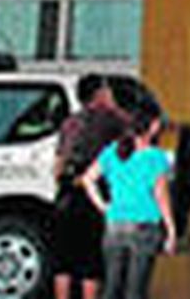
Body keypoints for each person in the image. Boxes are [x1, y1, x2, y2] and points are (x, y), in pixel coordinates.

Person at [81, 103, 177, 299]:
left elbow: (87, 179)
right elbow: (161, 195)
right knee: (135, 291)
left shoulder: (113, 151)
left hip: (114, 224)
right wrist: (171, 229)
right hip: (144, 227)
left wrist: (103, 206)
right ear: (152, 126)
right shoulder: (156, 157)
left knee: (111, 288)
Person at [54, 75, 129, 299]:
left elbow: (57, 166)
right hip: (92, 195)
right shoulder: (110, 119)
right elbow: (134, 133)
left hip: (66, 194)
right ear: (99, 95)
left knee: (64, 261)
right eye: (106, 91)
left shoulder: (70, 122)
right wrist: (113, 105)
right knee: (90, 260)